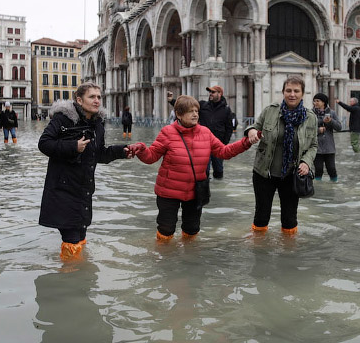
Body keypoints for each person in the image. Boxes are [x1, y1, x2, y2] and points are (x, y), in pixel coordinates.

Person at [38, 83, 137, 260]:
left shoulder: (97, 124)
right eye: (92, 97)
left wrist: (122, 151)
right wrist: (73, 146)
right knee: (72, 240)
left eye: (99, 97)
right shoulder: (62, 119)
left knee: (80, 238)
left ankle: (79, 280)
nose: (97, 100)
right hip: (63, 190)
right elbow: (44, 144)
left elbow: (99, 154)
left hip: (83, 191)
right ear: (79, 99)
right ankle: (71, 279)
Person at [131, 95, 251, 240]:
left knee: (192, 230)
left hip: (195, 192)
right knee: (166, 230)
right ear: (179, 114)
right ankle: (165, 258)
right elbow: (151, 157)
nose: (195, 114)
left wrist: (246, 142)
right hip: (168, 192)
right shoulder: (167, 132)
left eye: (196, 111)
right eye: (190, 111)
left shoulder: (205, 133)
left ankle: (189, 259)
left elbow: (223, 152)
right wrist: (142, 149)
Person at [244, 76, 318, 235]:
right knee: (261, 216)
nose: (292, 94)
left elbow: (313, 145)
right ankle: (260, 251)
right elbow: (254, 127)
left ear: (302, 93)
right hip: (264, 173)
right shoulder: (270, 111)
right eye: (288, 90)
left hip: (292, 175)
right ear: (283, 92)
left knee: (290, 219)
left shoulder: (310, 117)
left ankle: (289, 253)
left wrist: (306, 162)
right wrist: (251, 132)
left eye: (296, 91)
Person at [199, 85, 236, 180]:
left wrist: (224, 144)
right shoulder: (202, 105)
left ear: (220, 94)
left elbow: (229, 128)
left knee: (218, 171)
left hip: (218, 146)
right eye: (210, 92)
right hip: (203, 145)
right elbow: (187, 106)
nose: (210, 94)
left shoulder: (226, 109)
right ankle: (205, 192)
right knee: (204, 171)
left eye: (213, 92)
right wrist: (172, 101)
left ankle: (218, 190)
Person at [312, 93, 342, 182]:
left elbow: (339, 128)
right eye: (314, 101)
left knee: (332, 169)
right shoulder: (310, 113)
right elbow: (306, 129)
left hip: (329, 147)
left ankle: (333, 189)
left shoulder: (332, 113)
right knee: (318, 170)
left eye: (318, 101)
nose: (315, 103)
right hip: (316, 147)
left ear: (324, 102)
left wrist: (330, 121)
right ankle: (318, 190)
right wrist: (318, 130)